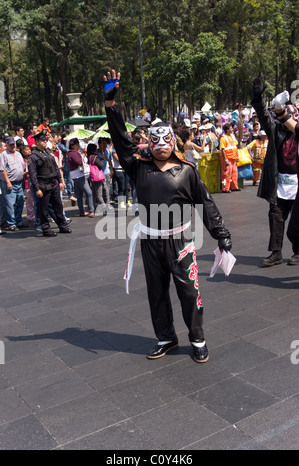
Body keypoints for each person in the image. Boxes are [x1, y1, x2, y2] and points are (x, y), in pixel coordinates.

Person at [104, 69, 232, 364]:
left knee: (189, 291)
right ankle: (165, 336)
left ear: (173, 141)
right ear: (149, 141)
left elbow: (206, 202)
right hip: (150, 240)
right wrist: (111, 103)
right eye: (154, 140)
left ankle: (197, 338)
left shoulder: (186, 171)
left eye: (165, 140)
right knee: (157, 292)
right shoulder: (139, 167)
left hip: (180, 241)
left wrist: (221, 233)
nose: (160, 146)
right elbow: (121, 139)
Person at [252, 77, 299, 266]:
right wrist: (257, 98)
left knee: (297, 223)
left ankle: (298, 251)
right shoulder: (275, 130)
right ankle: (276, 252)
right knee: (276, 217)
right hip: (280, 183)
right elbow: (264, 116)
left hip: (298, 185)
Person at [28, 130, 72, 237]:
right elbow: (32, 174)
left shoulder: (48, 152)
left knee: (58, 206)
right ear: (37, 141)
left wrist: (60, 181)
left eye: (46, 140)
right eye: (43, 140)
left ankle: (62, 225)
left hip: (53, 183)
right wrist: (37, 188)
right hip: (43, 184)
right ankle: (46, 228)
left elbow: (55, 168)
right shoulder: (33, 156)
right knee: (44, 209)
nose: (45, 142)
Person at [272, 97, 299, 265]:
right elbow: (285, 119)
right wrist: (278, 106)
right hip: (284, 185)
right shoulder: (282, 131)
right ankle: (276, 252)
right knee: (293, 229)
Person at [0, 136, 25, 231]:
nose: (12, 146)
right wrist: (8, 182)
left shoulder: (18, 154)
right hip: (9, 183)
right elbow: (3, 170)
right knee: (10, 204)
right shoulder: (3, 155)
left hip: (19, 182)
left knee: (20, 202)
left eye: (13, 144)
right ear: (6, 145)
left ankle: (18, 221)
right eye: (10, 144)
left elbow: (22, 167)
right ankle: (11, 223)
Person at [67, 137, 94, 217]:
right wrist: (82, 154)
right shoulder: (73, 153)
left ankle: (82, 211)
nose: (78, 145)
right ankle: (91, 210)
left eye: (78, 144)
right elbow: (79, 162)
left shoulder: (74, 152)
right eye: (76, 144)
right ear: (72, 146)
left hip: (78, 175)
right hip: (78, 176)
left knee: (79, 194)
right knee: (89, 192)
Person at [219, 122, 240, 193]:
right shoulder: (223, 138)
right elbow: (223, 149)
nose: (232, 129)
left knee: (234, 173)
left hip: (233, 157)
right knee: (226, 174)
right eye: (231, 128)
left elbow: (235, 147)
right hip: (227, 158)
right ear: (227, 130)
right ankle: (225, 188)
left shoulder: (232, 136)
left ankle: (234, 186)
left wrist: (238, 156)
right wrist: (225, 159)